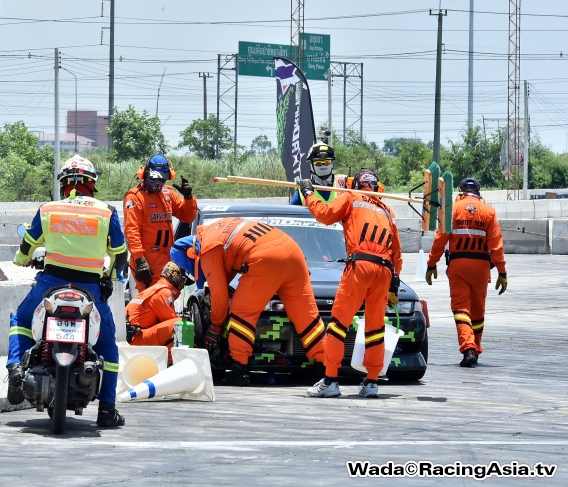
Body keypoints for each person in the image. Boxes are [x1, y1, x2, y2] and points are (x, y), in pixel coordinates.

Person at [6, 155, 128, 428]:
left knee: (21, 321)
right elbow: (120, 255)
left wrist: (20, 260)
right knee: (108, 346)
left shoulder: (48, 209)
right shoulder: (106, 212)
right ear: (91, 184)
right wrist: (110, 276)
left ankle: (15, 366)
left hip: (51, 284)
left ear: (63, 184)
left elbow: (28, 243)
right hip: (90, 290)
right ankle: (107, 410)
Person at [172, 218, 326, 386]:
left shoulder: (208, 248)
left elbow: (220, 296)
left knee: (241, 315)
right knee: (307, 318)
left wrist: (215, 327)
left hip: (266, 258)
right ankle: (325, 368)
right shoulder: (219, 229)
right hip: (293, 252)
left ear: (192, 254)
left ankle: (240, 370)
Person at [301, 168, 403, 399]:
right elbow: (397, 254)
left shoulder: (350, 196)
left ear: (355, 184)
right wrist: (394, 285)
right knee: (375, 328)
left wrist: (309, 193)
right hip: (385, 272)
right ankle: (372, 382)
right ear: (376, 186)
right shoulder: (387, 211)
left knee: (338, 324)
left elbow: (325, 215)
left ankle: (330, 380)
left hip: (360, 267)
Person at [426, 177, 507, 367]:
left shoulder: (452, 210)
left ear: (460, 191)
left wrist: (431, 264)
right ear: (479, 192)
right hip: (481, 267)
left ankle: (468, 348)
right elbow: (496, 246)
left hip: (458, 265)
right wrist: (502, 272)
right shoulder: (489, 211)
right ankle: (476, 350)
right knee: (478, 312)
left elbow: (440, 240)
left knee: (461, 309)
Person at [123, 154, 197, 292]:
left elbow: (187, 217)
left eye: (161, 180)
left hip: (168, 257)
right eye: (153, 179)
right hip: (147, 259)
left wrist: (188, 198)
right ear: (144, 174)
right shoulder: (135, 197)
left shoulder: (168, 193)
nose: (157, 184)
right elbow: (132, 230)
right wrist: (139, 260)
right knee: (156, 300)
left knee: (166, 299)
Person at [125, 262, 184, 357]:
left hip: (132, 336)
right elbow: (171, 321)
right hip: (136, 339)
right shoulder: (163, 292)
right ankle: (171, 363)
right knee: (180, 325)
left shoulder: (156, 288)